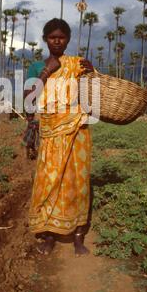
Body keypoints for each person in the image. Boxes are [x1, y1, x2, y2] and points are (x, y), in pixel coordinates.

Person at [24, 18, 94, 257]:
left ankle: (77, 236)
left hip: (76, 134)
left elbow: (90, 97)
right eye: (52, 36)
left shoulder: (77, 64)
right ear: (45, 39)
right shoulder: (36, 67)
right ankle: (49, 234)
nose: (57, 40)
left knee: (76, 182)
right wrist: (47, 71)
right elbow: (28, 102)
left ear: (68, 40)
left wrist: (90, 72)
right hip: (51, 134)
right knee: (50, 182)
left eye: (61, 37)